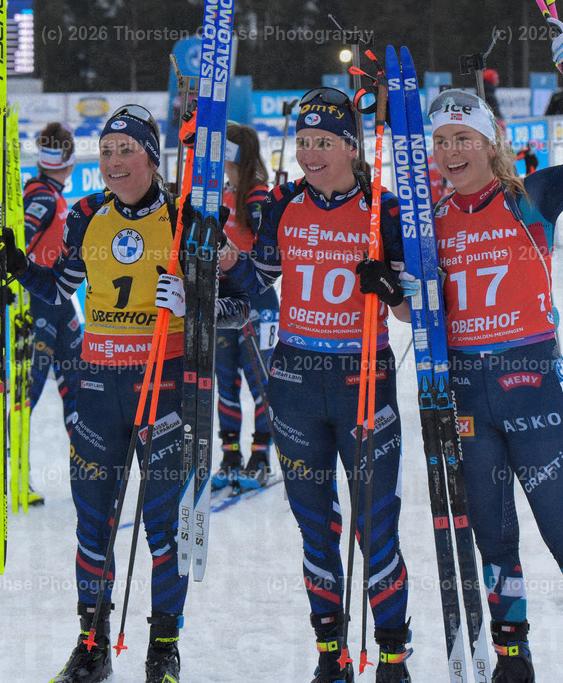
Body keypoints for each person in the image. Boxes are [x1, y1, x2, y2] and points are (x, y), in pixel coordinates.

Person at [5, 105, 250, 683]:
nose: (114, 162)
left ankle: (163, 647)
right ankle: (91, 644)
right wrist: (13, 265)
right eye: (106, 151)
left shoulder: (188, 219)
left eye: (126, 150)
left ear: (151, 155)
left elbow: (243, 304)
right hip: (96, 387)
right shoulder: (86, 214)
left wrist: (196, 305)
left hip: (164, 389)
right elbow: (57, 287)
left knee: (164, 528)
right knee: (92, 526)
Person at [427, 22, 563, 683]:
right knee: (493, 536)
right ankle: (513, 651)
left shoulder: (532, 195)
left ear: (491, 144)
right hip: (466, 391)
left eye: (463, 137)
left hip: (535, 385)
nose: (450, 150)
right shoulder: (428, 215)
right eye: (440, 141)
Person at [221, 87, 414, 683]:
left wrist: (390, 286)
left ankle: (392, 655)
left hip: (363, 379)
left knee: (375, 525)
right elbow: (258, 278)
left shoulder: (385, 208)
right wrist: (225, 261)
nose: (310, 153)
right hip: (296, 382)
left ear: (351, 148)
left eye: (323, 142)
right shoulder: (282, 205)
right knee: (315, 525)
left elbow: (412, 313)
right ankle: (330, 654)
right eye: (303, 141)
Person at [17, 122, 85, 506]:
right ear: (70, 159)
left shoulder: (51, 194)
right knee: (27, 394)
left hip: (60, 304)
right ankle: (16, 477)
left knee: (77, 387)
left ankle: (87, 475)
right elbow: (16, 250)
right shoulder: (42, 197)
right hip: (40, 305)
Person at [211, 122, 280, 491]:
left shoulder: (254, 195)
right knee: (225, 381)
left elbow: (272, 248)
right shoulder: (225, 193)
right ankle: (230, 455)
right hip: (223, 300)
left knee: (260, 382)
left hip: (257, 300)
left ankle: (260, 454)